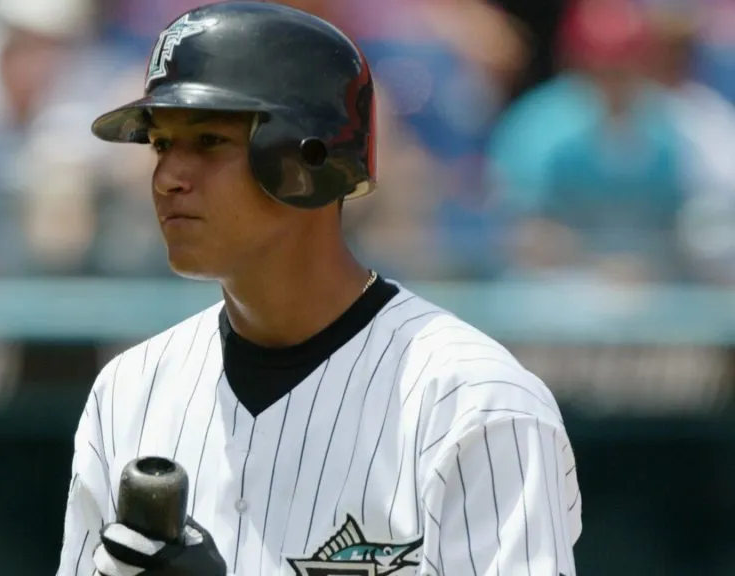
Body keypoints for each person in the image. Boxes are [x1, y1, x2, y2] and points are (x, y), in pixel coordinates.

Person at [56, 2, 582, 575]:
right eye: (160, 144)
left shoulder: (474, 401)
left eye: (207, 141)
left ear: (306, 157)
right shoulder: (129, 392)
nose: (167, 178)